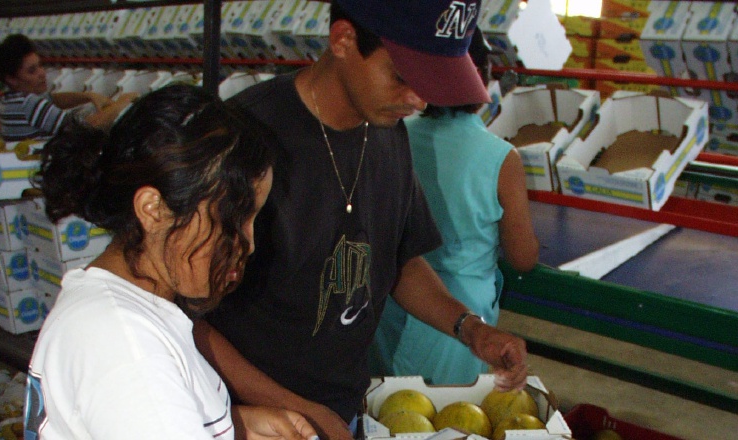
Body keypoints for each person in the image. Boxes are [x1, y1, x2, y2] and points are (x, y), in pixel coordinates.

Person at [193, 1, 529, 439]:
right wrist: (300, 411)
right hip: (248, 418)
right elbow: (189, 320)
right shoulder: (244, 139)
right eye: (402, 77)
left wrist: (470, 329)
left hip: (340, 410)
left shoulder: (389, 134)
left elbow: (399, 261)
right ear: (344, 40)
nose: (418, 99)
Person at [23, 84, 317, 440]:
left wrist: (235, 427)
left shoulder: (114, 316)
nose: (249, 243)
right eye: (236, 218)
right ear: (153, 210)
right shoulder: (128, 350)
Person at [370, 29, 540, 385]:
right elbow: (523, 257)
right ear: (484, 82)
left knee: (388, 409)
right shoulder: (500, 158)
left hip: (390, 301)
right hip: (460, 317)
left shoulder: (393, 134)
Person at [0, 34, 137, 141]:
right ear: (11, 79)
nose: (41, 73)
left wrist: (89, 96)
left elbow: (52, 99)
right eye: (32, 70)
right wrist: (121, 103)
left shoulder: (8, 101)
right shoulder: (29, 104)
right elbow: (87, 128)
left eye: (40, 65)